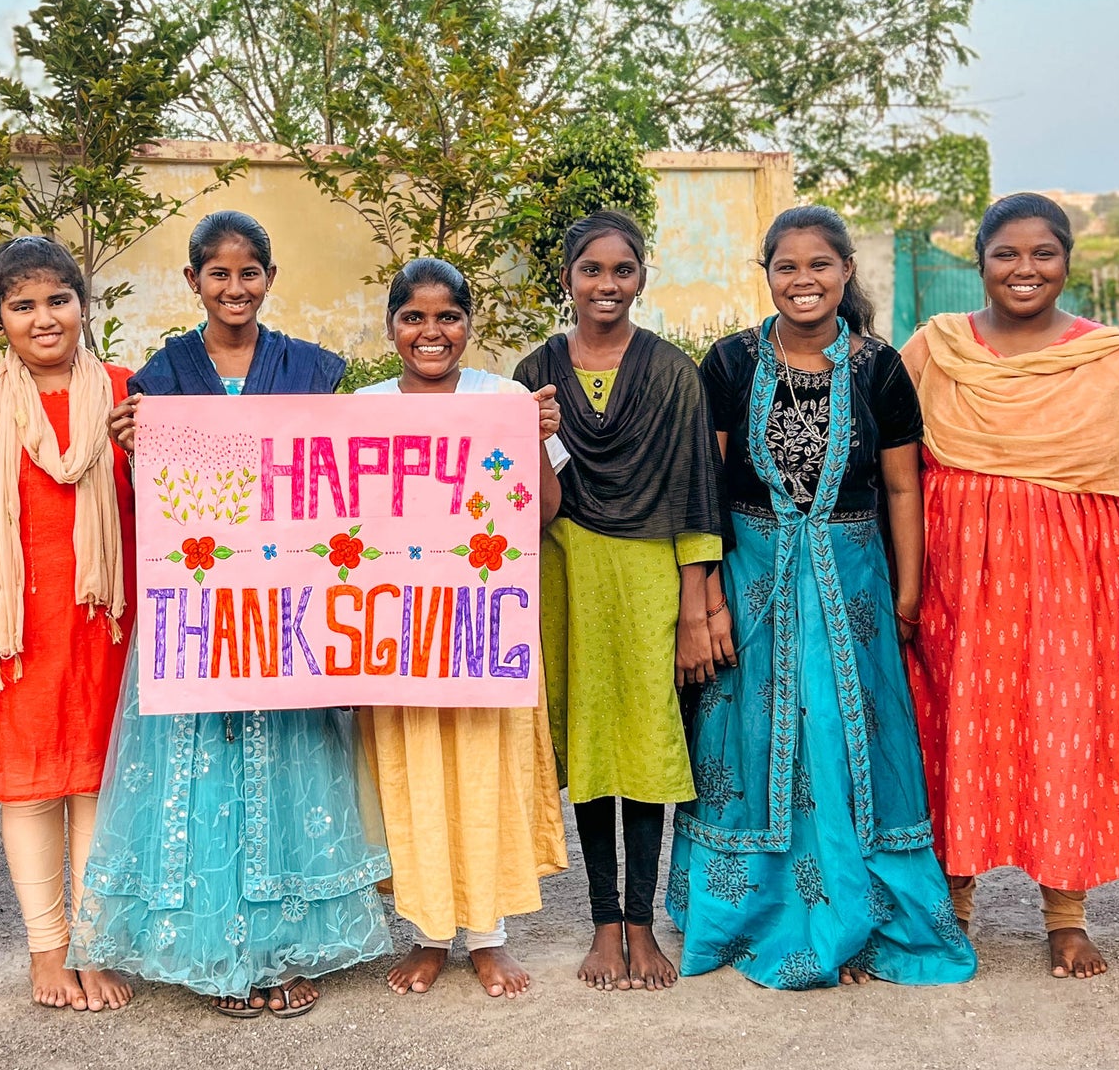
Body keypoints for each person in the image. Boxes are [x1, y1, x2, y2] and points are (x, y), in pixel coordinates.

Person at [75, 210, 392, 1018]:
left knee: (284, 766)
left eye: (249, 271)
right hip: (199, 608)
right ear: (192, 283)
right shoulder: (161, 377)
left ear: (270, 278)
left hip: (287, 612)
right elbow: (160, 498)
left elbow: (341, 481)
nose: (235, 287)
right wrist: (134, 443)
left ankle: (285, 946)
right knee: (207, 772)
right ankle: (216, 949)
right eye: (217, 273)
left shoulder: (315, 371)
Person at [671, 205, 975, 991]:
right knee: (750, 737)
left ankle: (861, 909)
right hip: (755, 571)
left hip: (852, 585)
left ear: (845, 272)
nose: (802, 281)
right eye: (786, 267)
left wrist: (907, 596)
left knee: (848, 738)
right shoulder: (731, 363)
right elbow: (705, 487)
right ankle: (752, 912)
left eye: (819, 266)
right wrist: (701, 599)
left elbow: (904, 487)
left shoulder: (879, 368)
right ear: (766, 274)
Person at [902, 193, 1119, 978]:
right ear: (981, 262)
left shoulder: (1111, 361)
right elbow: (893, 464)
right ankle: (950, 905)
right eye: (1006, 254)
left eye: (1043, 253)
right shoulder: (937, 350)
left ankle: (1065, 913)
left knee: (1063, 728)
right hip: (958, 581)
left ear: (1067, 261)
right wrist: (903, 583)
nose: (1025, 269)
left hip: (1074, 584)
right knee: (959, 729)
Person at [513, 209, 725, 992]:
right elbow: (515, 500)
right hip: (565, 576)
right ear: (566, 277)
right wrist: (529, 434)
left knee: (644, 746)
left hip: (648, 583)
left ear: (642, 276)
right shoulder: (533, 371)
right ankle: (605, 923)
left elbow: (696, 488)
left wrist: (697, 607)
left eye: (622, 270)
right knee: (593, 746)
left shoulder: (673, 373)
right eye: (591, 270)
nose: (607, 284)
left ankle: (643, 924)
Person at [0, 235, 136, 1013]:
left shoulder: (126, 392)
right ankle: (50, 950)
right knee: (30, 794)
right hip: (13, 635)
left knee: (96, 790)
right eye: (23, 305)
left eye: (58, 300)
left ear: (84, 305)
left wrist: (145, 449)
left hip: (106, 624)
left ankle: (94, 944)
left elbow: (176, 503)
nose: (43, 318)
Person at [355, 257, 571, 999]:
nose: (431, 331)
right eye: (413, 316)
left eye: (448, 316)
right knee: (415, 769)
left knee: (484, 766)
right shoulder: (365, 407)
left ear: (469, 324)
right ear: (391, 328)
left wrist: (537, 437)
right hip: (397, 627)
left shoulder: (502, 398)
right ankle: (428, 934)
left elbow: (541, 511)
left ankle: (487, 936)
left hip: (483, 622)